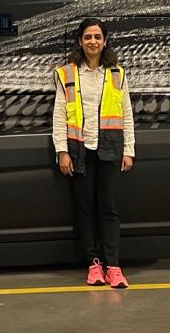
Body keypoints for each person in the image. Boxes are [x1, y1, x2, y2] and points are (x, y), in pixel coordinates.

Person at [52, 18, 136, 288]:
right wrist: (62, 151)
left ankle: (113, 266)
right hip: (79, 150)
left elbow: (126, 114)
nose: (92, 41)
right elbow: (59, 115)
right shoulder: (66, 74)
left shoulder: (117, 74)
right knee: (85, 210)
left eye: (97, 37)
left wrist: (129, 149)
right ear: (80, 41)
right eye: (88, 37)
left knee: (108, 209)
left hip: (109, 149)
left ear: (105, 41)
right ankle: (94, 265)